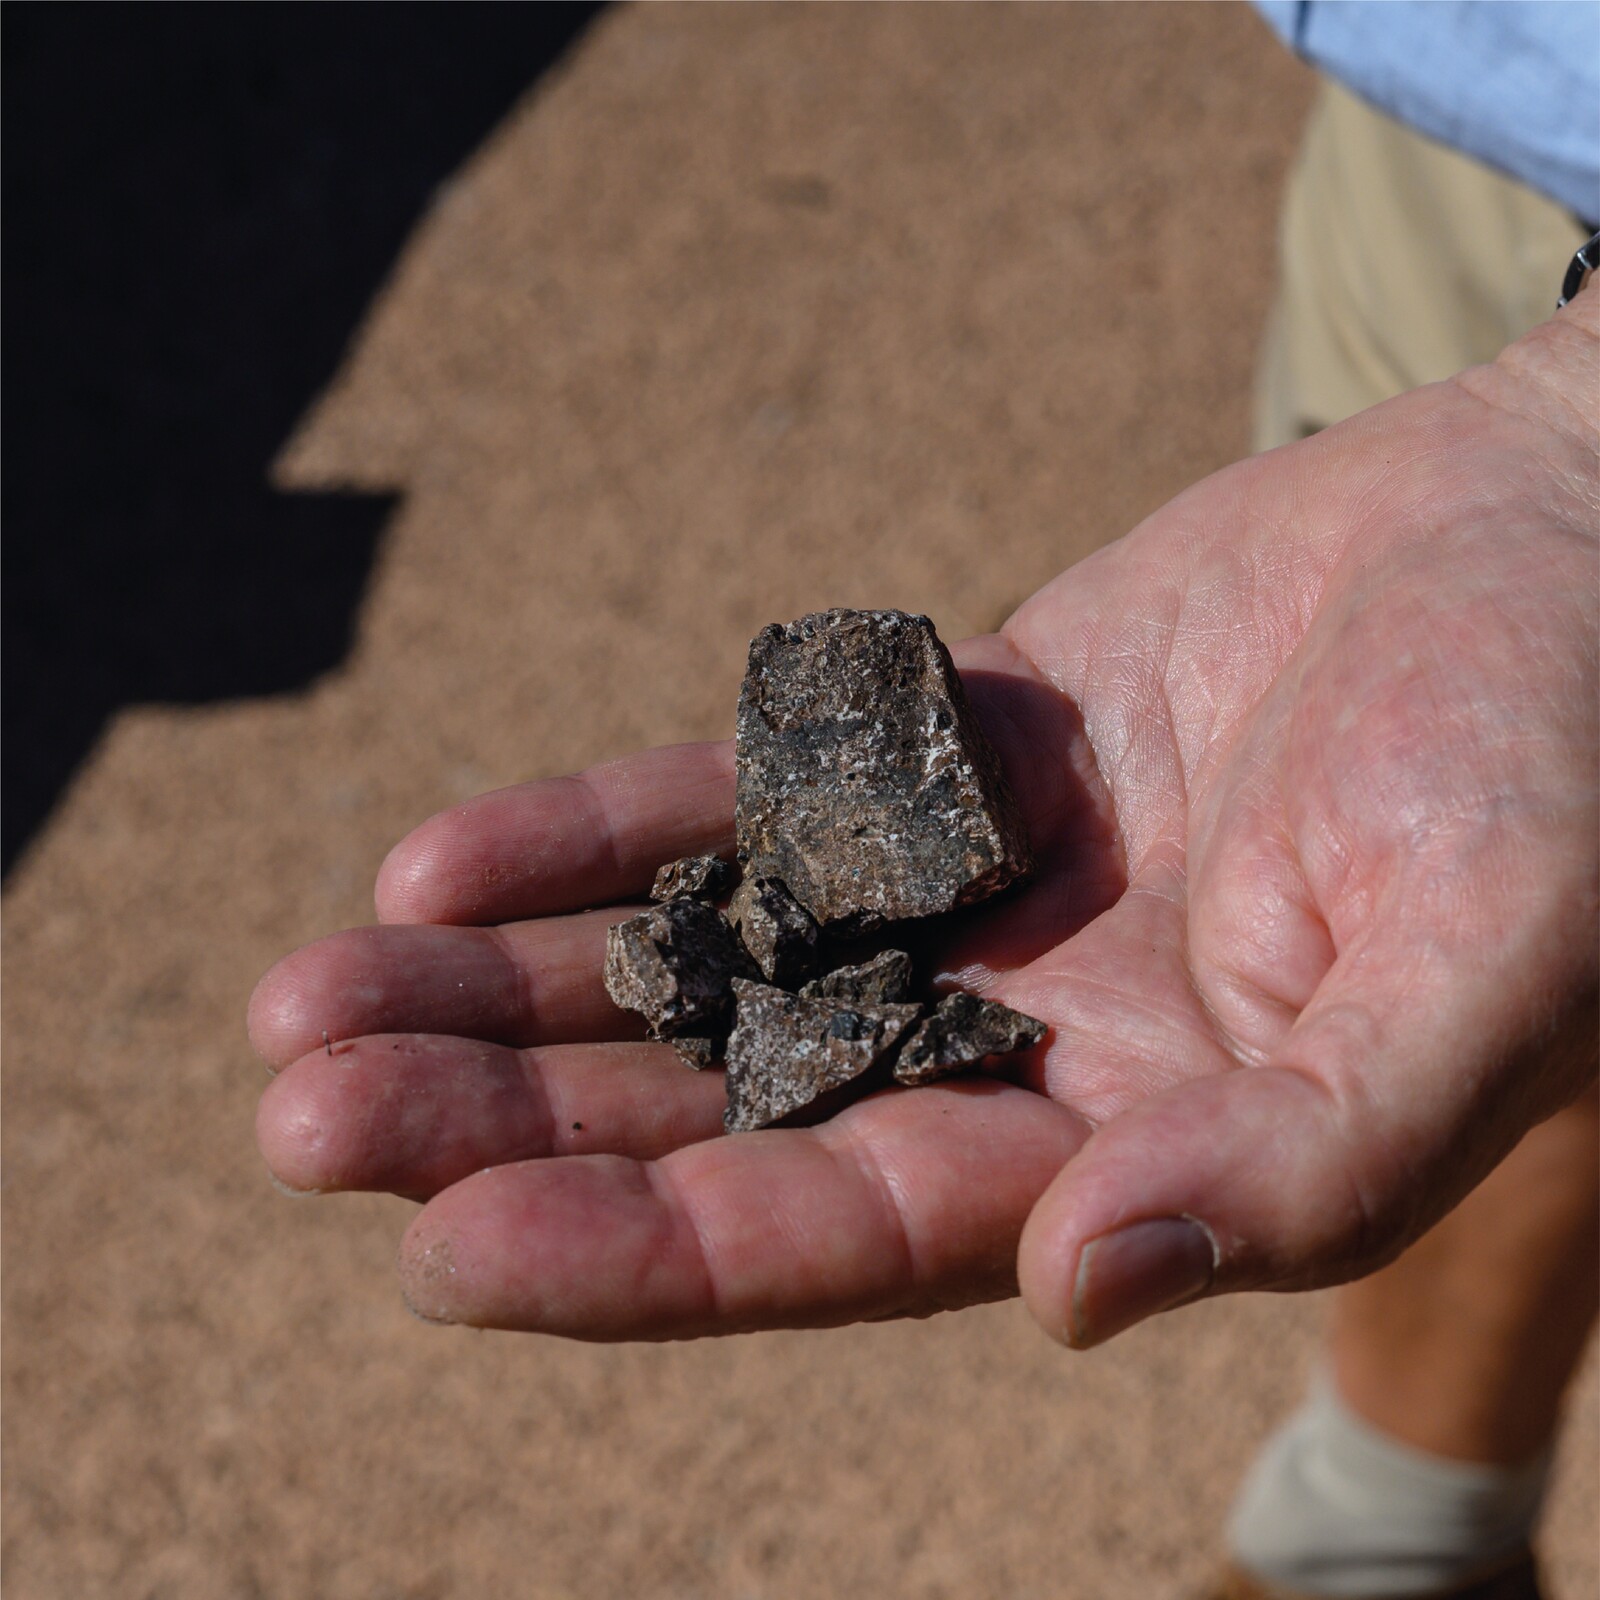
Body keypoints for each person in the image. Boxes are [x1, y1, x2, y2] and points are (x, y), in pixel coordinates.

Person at [249, 7, 1598, 1599]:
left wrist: (1570, 457)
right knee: (1435, 917)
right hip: (1479, 92)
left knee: (1472, 886)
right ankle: (1388, 1539)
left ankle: (1384, 1527)